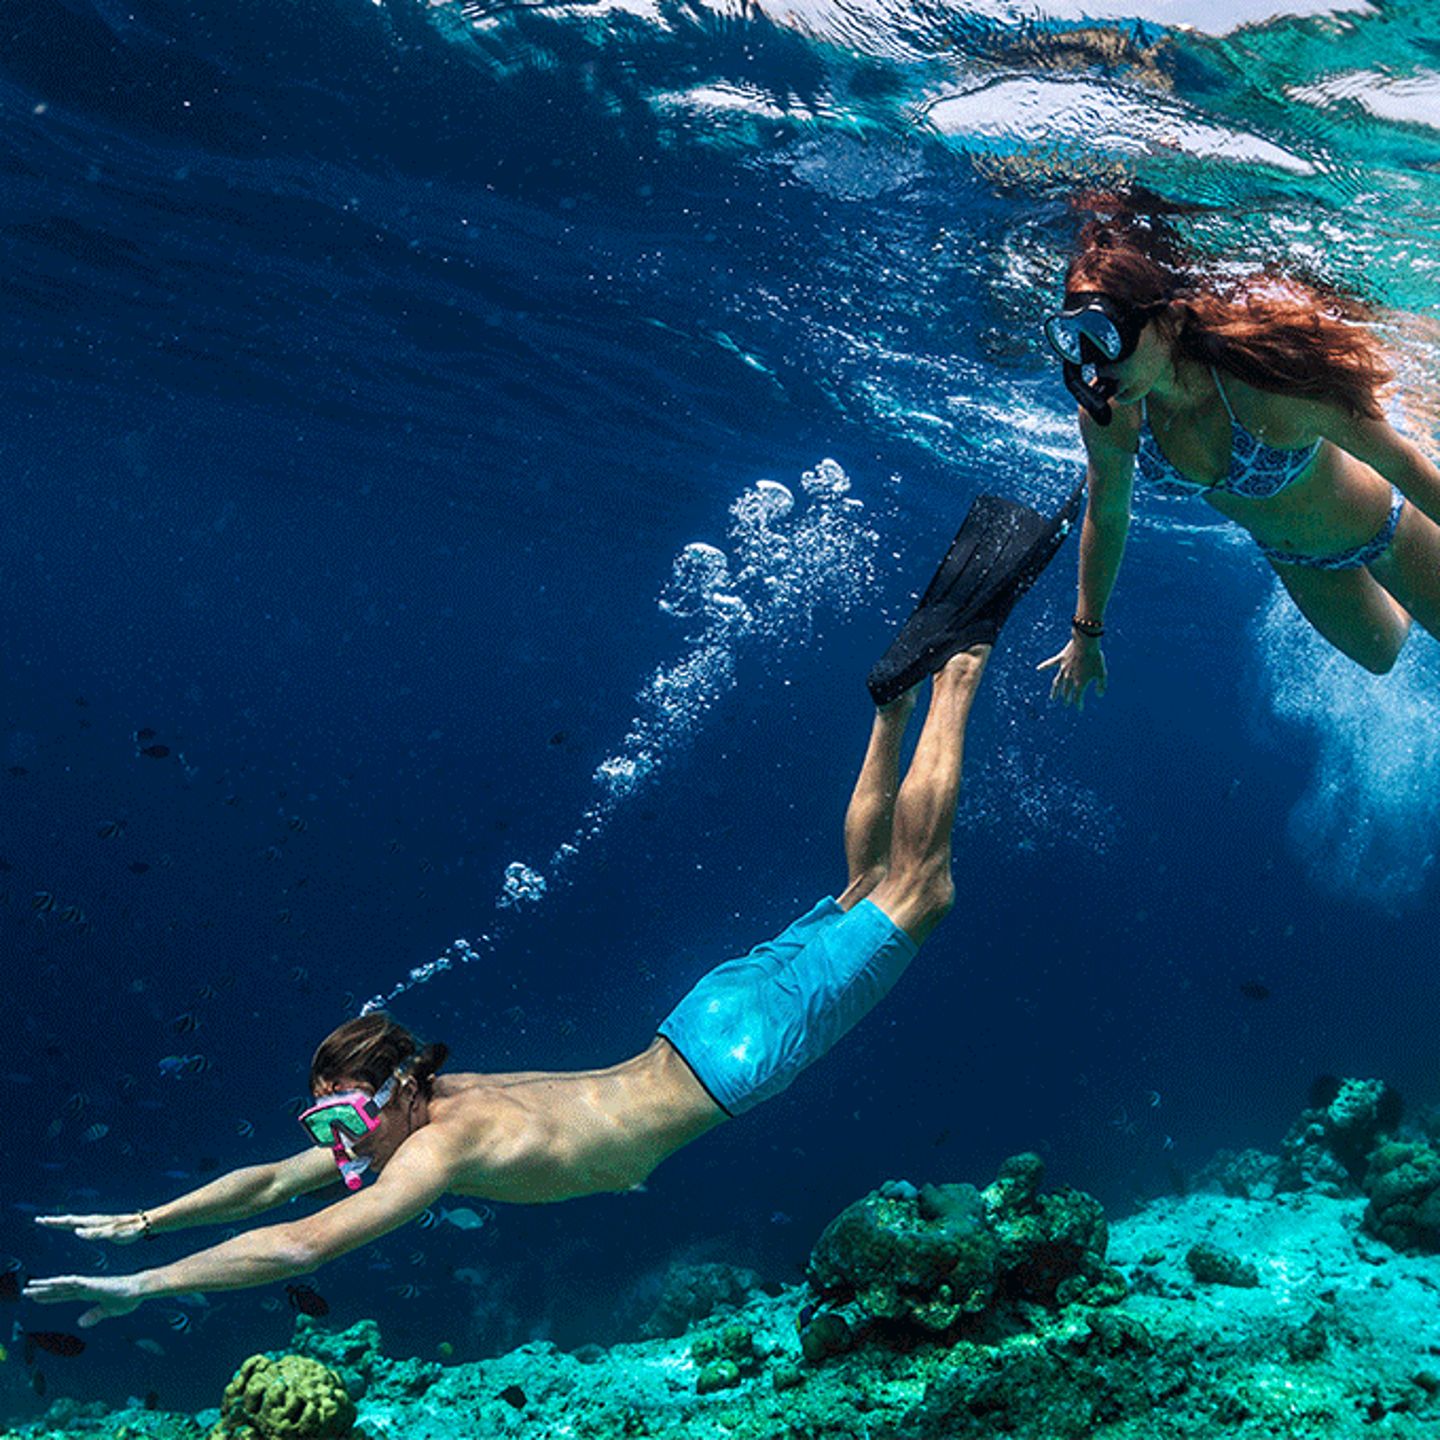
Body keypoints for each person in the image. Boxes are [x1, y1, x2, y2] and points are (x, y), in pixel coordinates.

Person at [24, 487, 1077, 1328]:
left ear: (393, 1093)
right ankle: (889, 708)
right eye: (324, 1121)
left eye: (344, 1116)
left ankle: (959, 665)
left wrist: (139, 1289)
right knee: (856, 893)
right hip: (702, 1019)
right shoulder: (430, 1104)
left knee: (916, 890)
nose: (337, 1140)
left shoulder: (435, 1150)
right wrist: (144, 1220)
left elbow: (301, 1241)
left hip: (736, 1056)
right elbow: (267, 1187)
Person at [1036, 203, 1440, 710]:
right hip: (1297, 560)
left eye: (1113, 339)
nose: (1100, 363)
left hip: (1385, 529)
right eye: (1082, 343)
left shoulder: (1261, 385)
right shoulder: (1117, 413)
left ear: (1171, 319)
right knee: (1380, 656)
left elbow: (1402, 464)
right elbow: (1108, 513)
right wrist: (1086, 631)